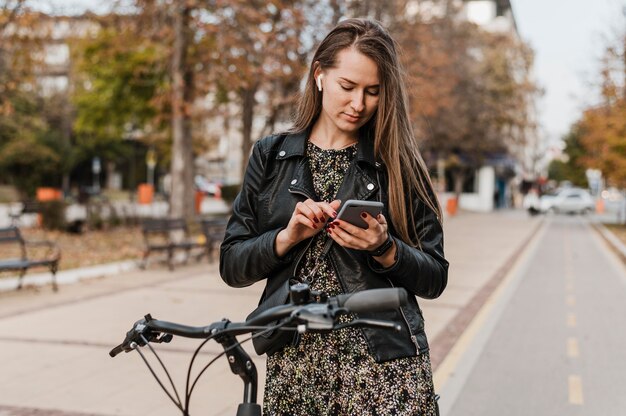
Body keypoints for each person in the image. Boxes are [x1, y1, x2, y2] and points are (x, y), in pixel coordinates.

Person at [220, 18, 448, 415]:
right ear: (320, 75)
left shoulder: (399, 164)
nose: (358, 104)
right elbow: (232, 264)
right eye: (348, 86)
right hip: (296, 369)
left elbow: (435, 277)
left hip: (385, 371)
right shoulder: (270, 156)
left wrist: (385, 249)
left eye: (372, 92)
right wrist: (286, 237)